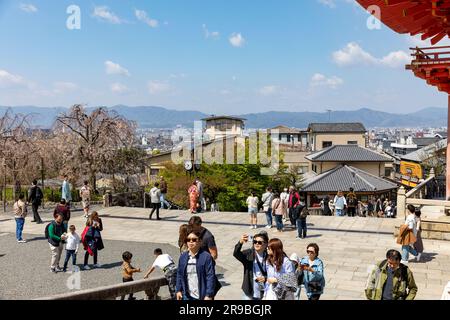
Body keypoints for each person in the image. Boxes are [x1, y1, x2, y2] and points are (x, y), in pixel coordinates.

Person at [176, 229, 216, 300]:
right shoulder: (183, 257)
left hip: (202, 295)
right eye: (188, 240)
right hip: (186, 295)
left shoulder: (206, 257)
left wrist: (209, 295)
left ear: (200, 241)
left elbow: (210, 276)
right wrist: (178, 290)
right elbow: (179, 274)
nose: (191, 241)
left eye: (194, 240)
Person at [233, 232, 269, 300]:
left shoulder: (269, 256)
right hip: (249, 289)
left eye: (260, 242)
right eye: (255, 242)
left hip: (264, 291)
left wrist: (266, 278)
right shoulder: (248, 254)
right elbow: (236, 253)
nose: (257, 244)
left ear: (266, 244)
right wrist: (240, 242)